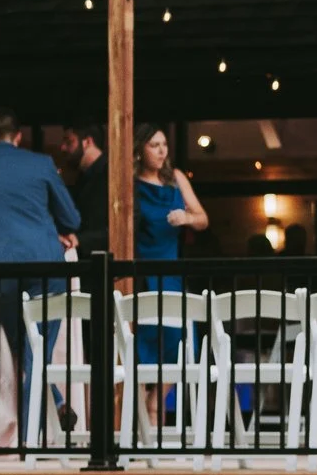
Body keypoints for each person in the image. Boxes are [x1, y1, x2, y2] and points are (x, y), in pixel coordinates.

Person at [0, 107, 78, 422]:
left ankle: (53, 407)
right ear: (19, 137)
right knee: (37, 351)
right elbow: (72, 218)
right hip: (45, 263)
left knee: (24, 349)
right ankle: (31, 436)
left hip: (0, 267)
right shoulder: (41, 164)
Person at [128, 125, 208, 430]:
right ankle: (146, 425)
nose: (162, 151)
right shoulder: (132, 184)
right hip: (143, 273)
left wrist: (186, 218)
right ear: (140, 150)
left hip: (172, 272)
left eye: (164, 145)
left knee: (179, 344)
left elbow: (203, 218)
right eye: (154, 145)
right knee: (144, 346)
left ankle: (157, 401)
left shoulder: (176, 179)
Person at [60, 124, 109, 255]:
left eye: (69, 141)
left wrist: (80, 239)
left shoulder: (111, 175)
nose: (63, 147)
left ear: (87, 141)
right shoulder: (82, 178)